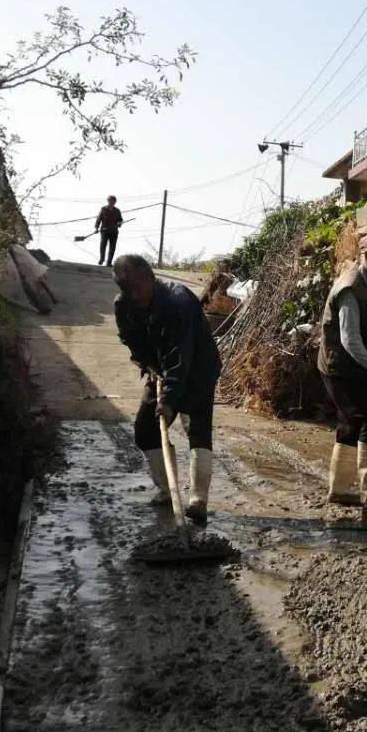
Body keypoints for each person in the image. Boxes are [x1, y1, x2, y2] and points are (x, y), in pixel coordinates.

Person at [113, 254, 222, 524]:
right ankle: (168, 490)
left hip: (197, 369)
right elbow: (132, 340)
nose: (134, 295)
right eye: (126, 289)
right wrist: (149, 365)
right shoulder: (124, 305)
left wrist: (170, 399)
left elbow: (179, 355)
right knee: (145, 429)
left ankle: (198, 500)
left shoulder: (179, 302)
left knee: (196, 429)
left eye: (138, 287)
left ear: (151, 278)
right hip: (161, 369)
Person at [316, 224, 367, 505]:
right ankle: (343, 488)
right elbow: (350, 340)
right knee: (358, 418)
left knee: (361, 419)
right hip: (339, 366)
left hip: (355, 366)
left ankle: (358, 484)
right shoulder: (351, 288)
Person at [95, 195, 123, 266]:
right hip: (104, 231)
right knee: (103, 245)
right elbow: (99, 219)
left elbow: (120, 220)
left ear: (115, 202)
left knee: (112, 247)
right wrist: (96, 228)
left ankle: (109, 262)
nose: (112, 202)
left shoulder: (117, 211)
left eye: (113, 201)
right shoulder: (103, 209)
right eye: (110, 201)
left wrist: (119, 223)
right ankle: (102, 259)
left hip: (114, 232)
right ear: (108, 201)